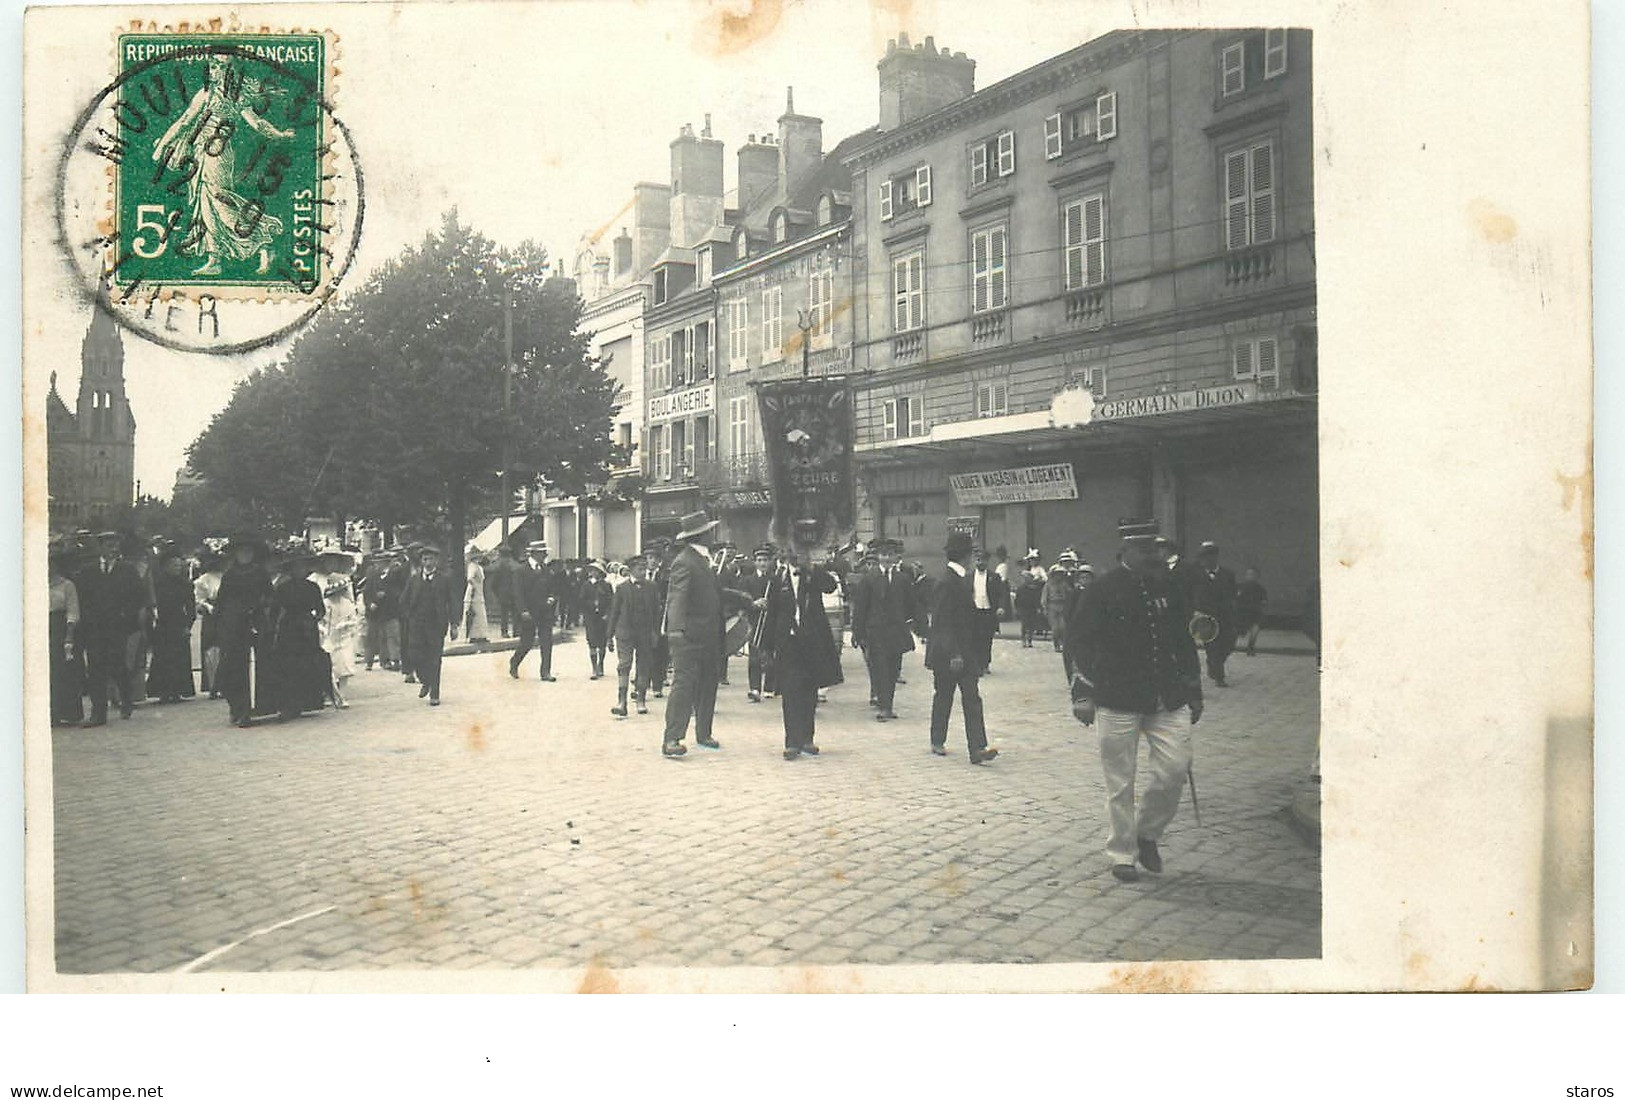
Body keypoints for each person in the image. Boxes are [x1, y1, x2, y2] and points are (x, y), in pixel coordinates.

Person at [1067, 518, 1204, 883]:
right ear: (1125, 549)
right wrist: (1082, 693)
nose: (1153, 555)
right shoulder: (1100, 589)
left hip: (1167, 697)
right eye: (1144, 549)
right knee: (1120, 781)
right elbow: (1078, 643)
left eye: (1155, 548)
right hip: (1117, 698)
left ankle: (1147, 835)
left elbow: (1183, 641)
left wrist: (1194, 688)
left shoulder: (1170, 587)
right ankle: (1122, 852)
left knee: (1174, 769)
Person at [760, 544, 842, 759]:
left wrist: (813, 568)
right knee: (790, 691)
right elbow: (771, 613)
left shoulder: (813, 576)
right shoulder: (777, 579)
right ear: (784, 555)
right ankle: (791, 742)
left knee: (809, 690)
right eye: (790, 553)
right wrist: (767, 647)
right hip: (788, 642)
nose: (794, 557)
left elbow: (831, 586)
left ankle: (808, 739)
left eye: (798, 553)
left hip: (812, 641)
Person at [660, 510, 730, 758]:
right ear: (701, 535)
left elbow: (716, 592)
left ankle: (703, 733)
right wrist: (676, 630)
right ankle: (672, 738)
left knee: (708, 683)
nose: (713, 534)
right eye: (710, 531)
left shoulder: (703, 560)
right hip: (688, 637)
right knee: (684, 685)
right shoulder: (684, 561)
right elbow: (676, 598)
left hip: (707, 635)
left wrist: (745, 600)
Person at [924, 532, 999, 764]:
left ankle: (977, 748)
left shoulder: (963, 579)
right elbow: (943, 622)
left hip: (964, 652)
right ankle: (937, 739)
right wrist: (954, 653)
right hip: (950, 654)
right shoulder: (946, 582)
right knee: (945, 696)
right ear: (966, 556)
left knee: (971, 697)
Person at [74, 531, 149, 726]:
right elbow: (82, 598)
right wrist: (87, 619)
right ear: (100, 547)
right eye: (108, 544)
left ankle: (126, 699)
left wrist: (127, 615)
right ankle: (99, 713)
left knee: (117, 665)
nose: (113, 548)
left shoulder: (128, 570)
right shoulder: (88, 571)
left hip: (118, 626)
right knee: (96, 667)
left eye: (115, 544)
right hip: (95, 628)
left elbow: (139, 596)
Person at [850, 538, 918, 722]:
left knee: (893, 668)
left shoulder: (902, 579)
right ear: (878, 557)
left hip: (896, 632)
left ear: (896, 557)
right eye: (883, 554)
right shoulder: (869, 579)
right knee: (880, 667)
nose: (887, 558)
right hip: (876, 632)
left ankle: (888, 703)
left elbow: (911, 605)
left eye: (890, 555)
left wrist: (917, 625)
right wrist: (858, 633)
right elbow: (861, 607)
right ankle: (884, 707)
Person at [213, 536, 272, 727]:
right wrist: (221, 624)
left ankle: (256, 707)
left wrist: (262, 605)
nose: (245, 555)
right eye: (241, 551)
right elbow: (221, 601)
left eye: (248, 551)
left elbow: (270, 595)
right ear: (236, 554)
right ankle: (238, 707)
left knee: (258, 663)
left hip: (256, 621)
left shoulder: (260, 573)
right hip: (234, 624)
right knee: (234, 666)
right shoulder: (230, 575)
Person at [268, 554, 327, 720]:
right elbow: (274, 610)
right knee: (289, 667)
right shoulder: (283, 588)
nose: (299, 571)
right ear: (290, 570)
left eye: (302, 567)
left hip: (308, 629)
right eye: (295, 568)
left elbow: (321, 609)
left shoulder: (313, 587)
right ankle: (289, 704)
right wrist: (273, 628)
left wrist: (314, 619)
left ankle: (307, 701)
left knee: (307, 665)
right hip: (289, 629)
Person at [401, 543, 460, 705]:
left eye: (431, 559)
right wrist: (408, 617)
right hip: (416, 625)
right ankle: (425, 680)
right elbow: (404, 601)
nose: (428, 562)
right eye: (425, 559)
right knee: (415, 656)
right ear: (421, 561)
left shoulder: (445, 579)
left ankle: (435, 693)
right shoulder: (414, 579)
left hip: (436, 625)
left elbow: (453, 602)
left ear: (437, 561)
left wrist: (455, 624)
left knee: (435, 659)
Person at [606, 555, 659, 717]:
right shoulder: (622, 589)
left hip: (645, 633)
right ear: (631, 570)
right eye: (640, 569)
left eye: (644, 569)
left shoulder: (652, 587)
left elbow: (657, 612)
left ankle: (641, 700)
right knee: (624, 665)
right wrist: (609, 636)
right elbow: (614, 612)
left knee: (644, 665)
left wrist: (656, 632)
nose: (643, 572)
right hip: (625, 633)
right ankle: (621, 702)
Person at [1181, 541, 1239, 687]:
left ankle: (1214, 663)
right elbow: (1187, 594)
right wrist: (1192, 611)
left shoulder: (1227, 574)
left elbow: (1233, 594)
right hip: (1204, 616)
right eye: (1204, 557)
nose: (1207, 560)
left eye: (1211, 556)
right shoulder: (1194, 575)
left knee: (1229, 642)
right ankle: (1219, 675)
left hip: (1225, 616)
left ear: (1216, 557)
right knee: (1212, 645)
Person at [146, 550, 197, 703]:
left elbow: (191, 607)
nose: (177, 568)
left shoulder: (185, 584)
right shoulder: (158, 583)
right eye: (173, 565)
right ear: (165, 566)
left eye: (179, 565)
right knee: (162, 657)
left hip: (179, 623)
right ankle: (163, 691)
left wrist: (188, 624)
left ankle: (178, 690)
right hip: (162, 624)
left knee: (179, 658)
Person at [508, 540, 558, 681]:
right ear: (534, 554)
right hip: (529, 613)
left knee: (547, 642)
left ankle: (545, 672)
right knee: (526, 643)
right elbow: (517, 593)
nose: (545, 555)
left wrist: (551, 598)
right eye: (543, 553)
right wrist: (523, 610)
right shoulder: (521, 571)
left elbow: (553, 589)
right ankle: (514, 662)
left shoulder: (547, 570)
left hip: (545, 612)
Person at [317, 551, 360, 708]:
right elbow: (320, 617)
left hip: (344, 637)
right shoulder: (326, 603)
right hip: (328, 636)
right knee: (330, 666)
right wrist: (321, 629)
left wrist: (348, 626)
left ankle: (342, 695)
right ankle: (330, 694)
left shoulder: (347, 603)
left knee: (345, 665)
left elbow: (353, 619)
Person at [48, 550, 84, 725]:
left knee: (64, 671)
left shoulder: (67, 585)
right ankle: (50, 713)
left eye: (52, 564)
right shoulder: (35, 583)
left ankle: (69, 712)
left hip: (61, 628)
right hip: (42, 628)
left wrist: (69, 636)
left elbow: (73, 610)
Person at [737, 544, 775, 702]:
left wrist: (770, 603)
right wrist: (754, 603)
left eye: (765, 560)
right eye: (759, 560)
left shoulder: (775, 579)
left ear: (770, 561)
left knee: (771, 656)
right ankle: (754, 688)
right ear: (754, 562)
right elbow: (741, 600)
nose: (762, 563)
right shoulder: (747, 580)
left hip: (771, 622)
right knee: (754, 656)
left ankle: (769, 687)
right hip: (754, 622)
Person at [970, 546, 1007, 675]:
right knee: (974, 639)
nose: (981, 563)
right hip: (974, 612)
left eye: (983, 560)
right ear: (975, 561)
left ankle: (985, 664)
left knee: (986, 639)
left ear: (987, 561)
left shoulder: (994, 577)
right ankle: (976, 665)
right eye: (978, 560)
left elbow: (1001, 593)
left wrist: (1001, 607)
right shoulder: (969, 577)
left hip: (988, 612)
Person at [193, 549, 224, 698]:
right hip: (211, 615)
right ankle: (212, 685)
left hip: (225, 613)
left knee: (224, 648)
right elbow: (199, 600)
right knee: (211, 648)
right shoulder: (202, 580)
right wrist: (207, 607)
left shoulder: (226, 577)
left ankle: (223, 683)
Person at [580, 561, 613, 679]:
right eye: (591, 570)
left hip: (602, 617)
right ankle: (594, 667)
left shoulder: (606, 585)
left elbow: (611, 601)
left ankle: (601, 664)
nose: (593, 572)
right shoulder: (586, 585)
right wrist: (590, 605)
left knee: (602, 643)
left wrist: (608, 614)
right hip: (591, 617)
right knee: (592, 642)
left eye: (595, 570)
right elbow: (581, 600)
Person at [1236, 567, 1268, 656]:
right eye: (1248, 574)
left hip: (1254, 613)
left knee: (1255, 628)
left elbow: (1264, 602)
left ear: (1257, 577)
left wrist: (1261, 606)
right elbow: (1235, 599)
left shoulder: (1261, 589)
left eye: (1253, 574)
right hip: (1241, 612)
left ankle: (1250, 646)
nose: (1250, 576)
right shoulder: (1240, 587)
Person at [1042, 564, 1074, 653]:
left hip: (1063, 605)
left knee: (1063, 627)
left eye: (1060, 574)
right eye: (1056, 574)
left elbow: (1071, 593)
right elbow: (1044, 597)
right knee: (1055, 628)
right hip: (1052, 606)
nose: (1058, 576)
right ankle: (1056, 644)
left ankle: (1064, 644)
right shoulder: (1048, 585)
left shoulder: (1064, 584)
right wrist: (1044, 608)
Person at [464, 548, 492, 646]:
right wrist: (475, 586)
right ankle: (473, 636)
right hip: (473, 592)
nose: (479, 558)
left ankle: (481, 635)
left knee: (480, 614)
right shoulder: (472, 566)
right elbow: (470, 578)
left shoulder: (479, 567)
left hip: (479, 592)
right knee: (475, 613)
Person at [1015, 564, 1047, 647]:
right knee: (1024, 625)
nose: (1025, 580)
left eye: (1027, 579)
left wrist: (1038, 608)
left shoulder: (1034, 589)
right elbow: (1017, 599)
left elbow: (1036, 599)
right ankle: (1023, 640)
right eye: (1024, 579)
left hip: (1032, 609)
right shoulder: (1020, 589)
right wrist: (1017, 609)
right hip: (1023, 608)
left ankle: (1029, 640)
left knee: (1031, 625)